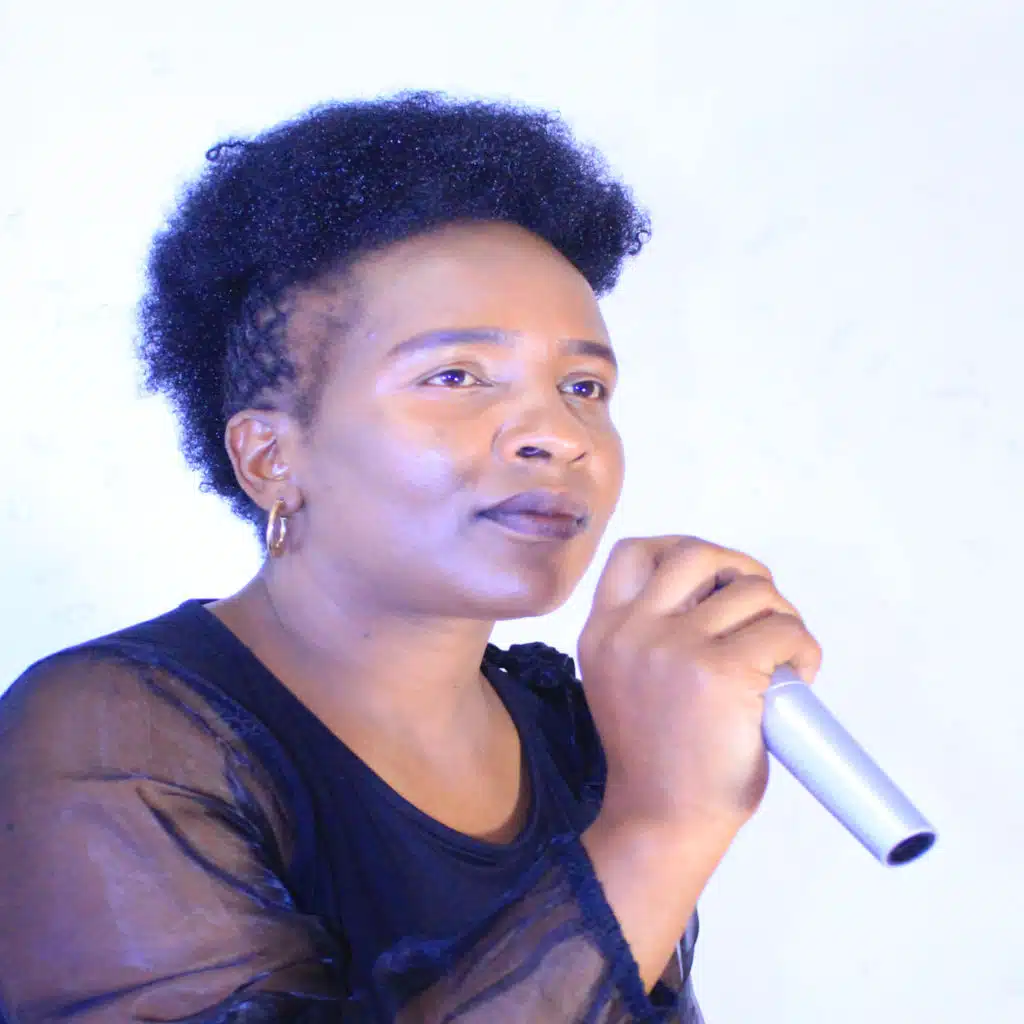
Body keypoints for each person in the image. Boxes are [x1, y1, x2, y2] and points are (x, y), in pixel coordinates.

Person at [0, 91, 822, 1023]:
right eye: (455, 376)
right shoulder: (110, 736)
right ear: (270, 457)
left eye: (585, 386)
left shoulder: (575, 731)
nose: (559, 434)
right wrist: (662, 824)